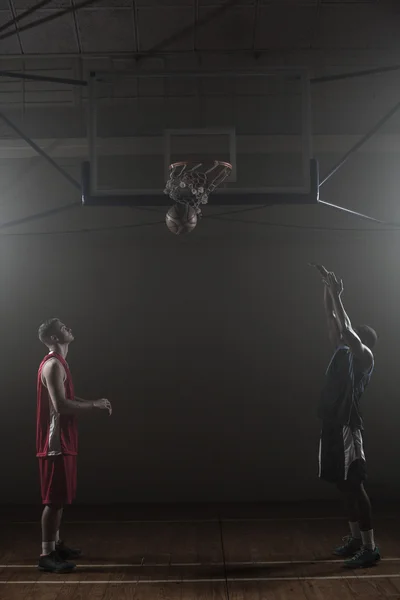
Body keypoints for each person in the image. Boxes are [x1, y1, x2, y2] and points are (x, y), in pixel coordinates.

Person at [310, 264, 380, 568]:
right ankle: (354, 538)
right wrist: (327, 288)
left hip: (348, 427)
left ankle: (370, 547)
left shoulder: (364, 358)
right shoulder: (341, 351)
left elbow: (347, 328)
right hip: (331, 423)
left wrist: (339, 295)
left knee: (355, 485)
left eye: (350, 335)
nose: (342, 334)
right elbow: (332, 319)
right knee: (341, 483)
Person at [36, 318, 112, 573]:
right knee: (53, 500)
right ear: (54, 338)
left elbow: (68, 398)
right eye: (62, 327)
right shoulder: (54, 365)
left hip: (64, 438)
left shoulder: (61, 363)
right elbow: (61, 406)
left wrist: (93, 401)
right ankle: (46, 554)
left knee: (61, 497)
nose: (68, 327)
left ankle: (55, 545)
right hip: (55, 441)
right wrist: (94, 406)